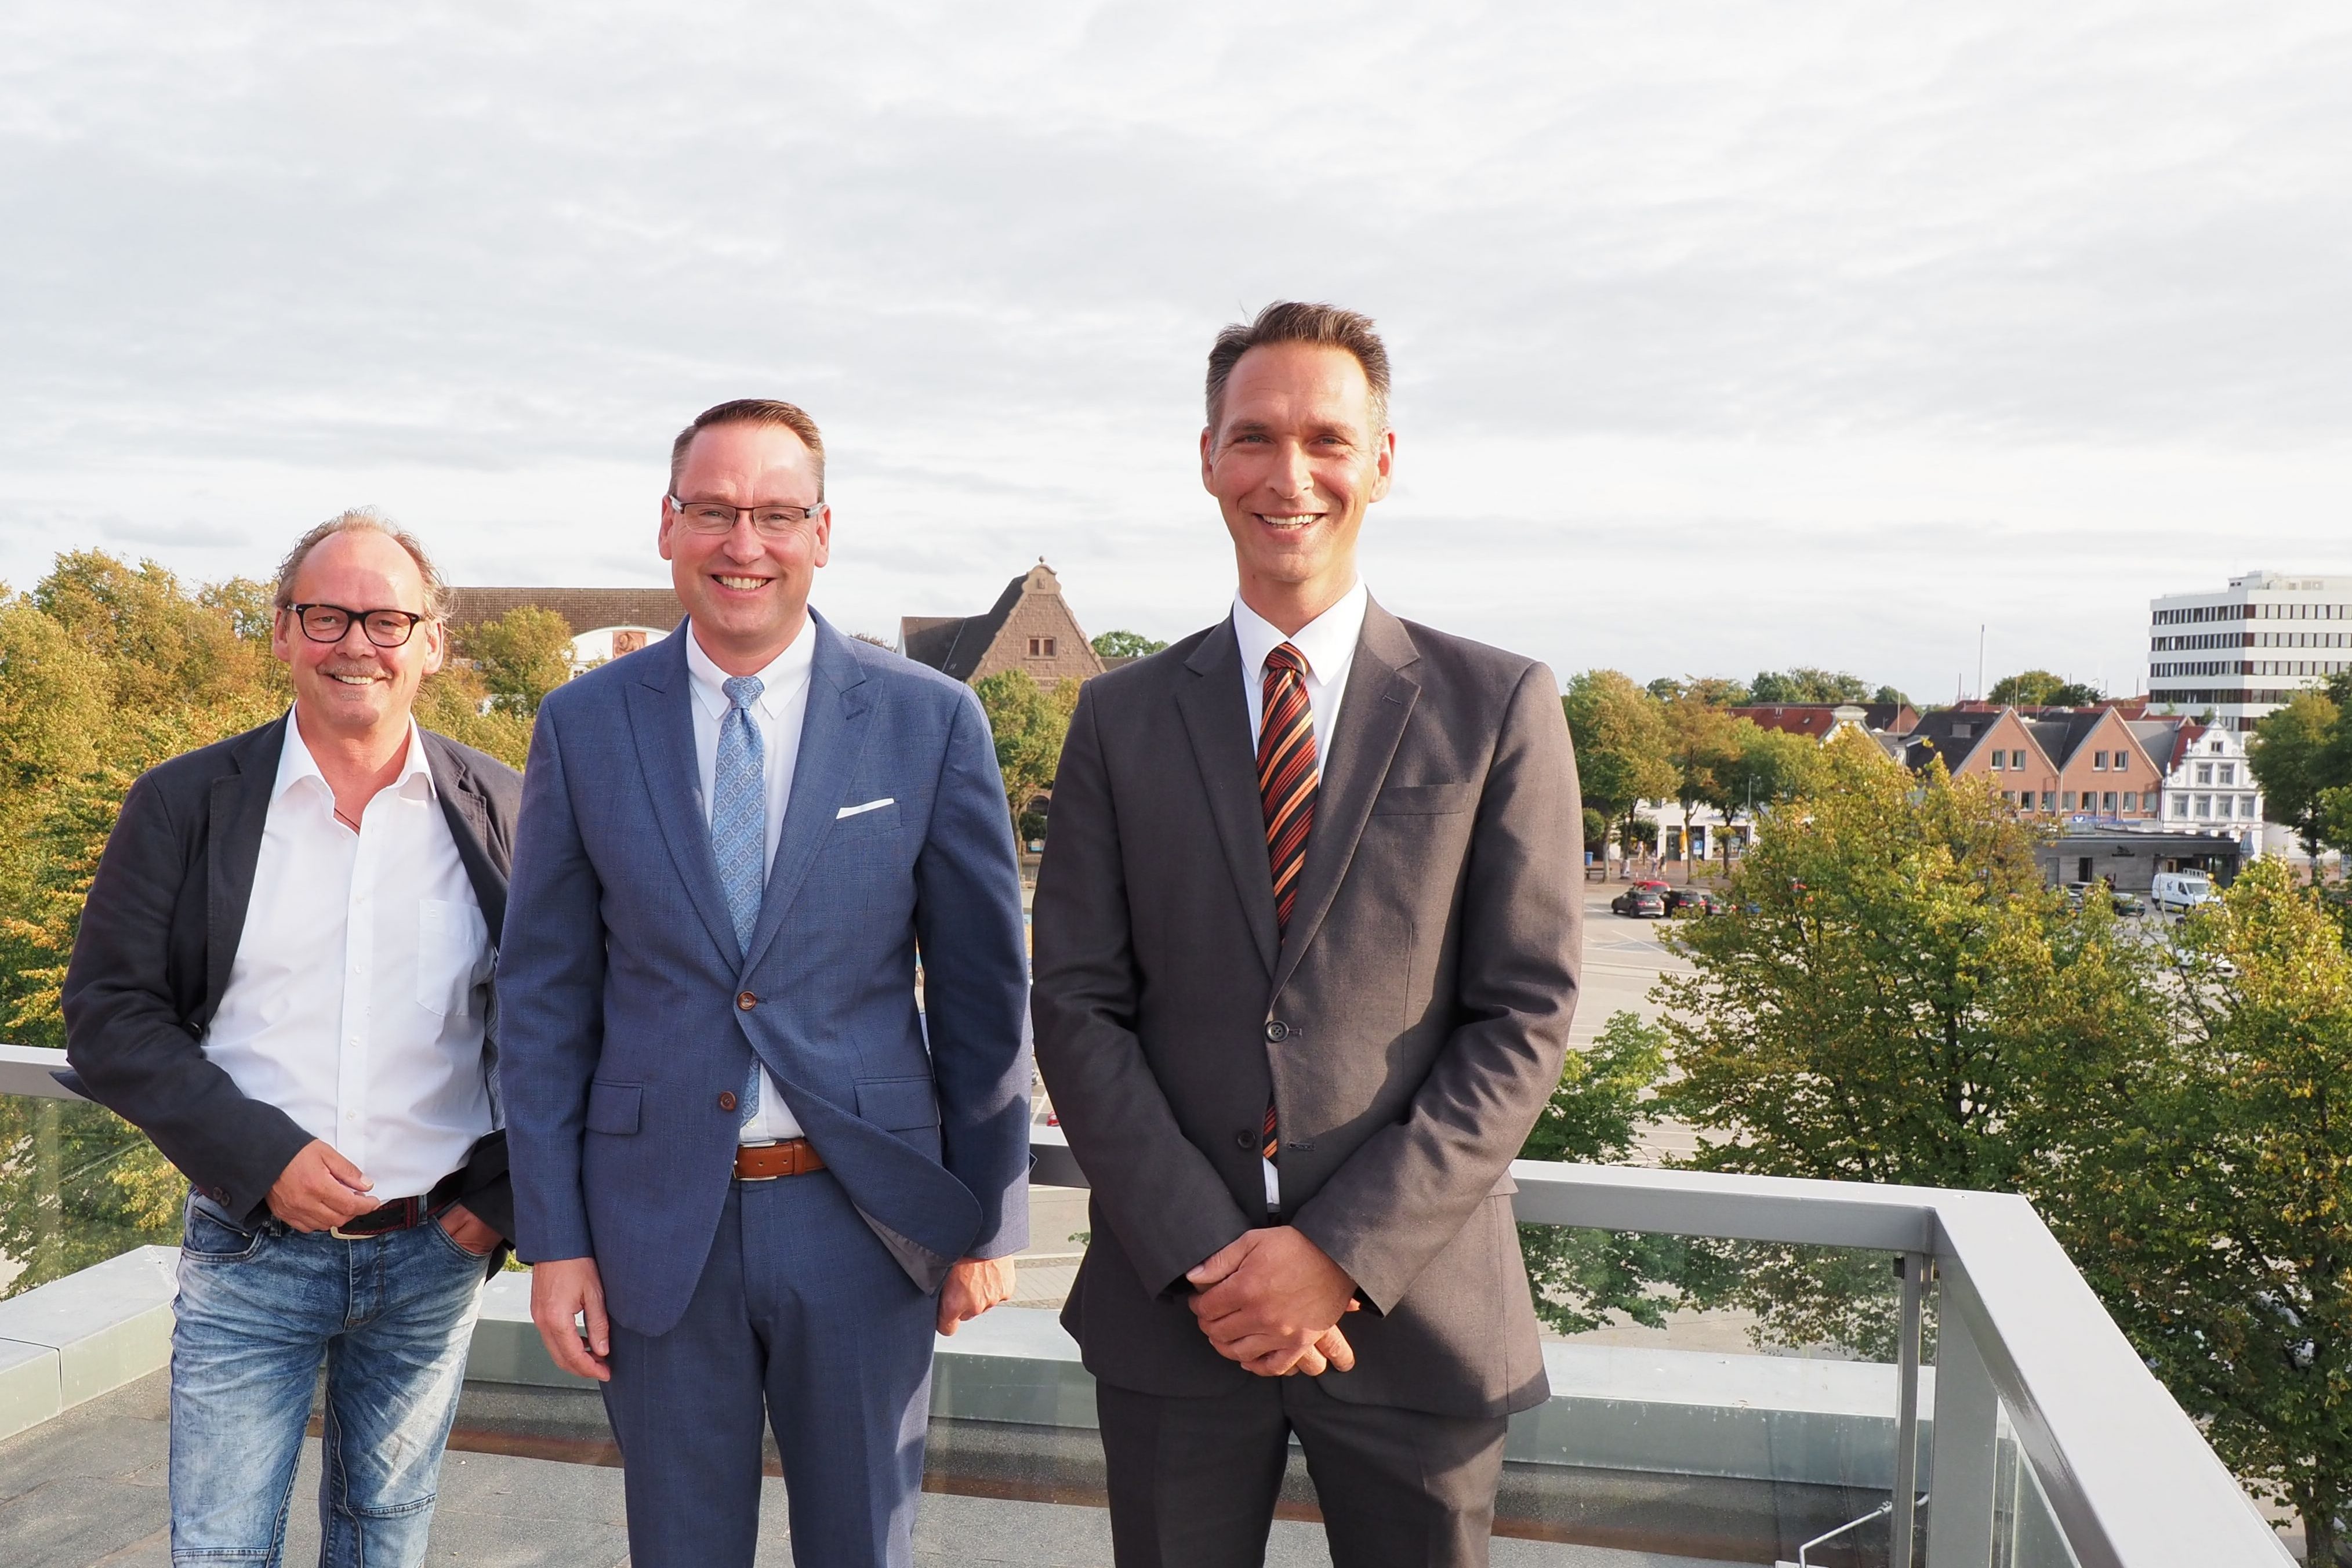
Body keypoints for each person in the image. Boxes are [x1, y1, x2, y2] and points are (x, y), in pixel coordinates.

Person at [1031, 302, 1584, 1567]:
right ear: (1210, 457)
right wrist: (1214, 1259)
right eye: (1255, 437)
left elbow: (1526, 1014)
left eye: (1328, 438)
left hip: (1419, 1313)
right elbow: (1073, 1002)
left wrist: (1336, 1254)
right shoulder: (1119, 717)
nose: (1291, 475)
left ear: (1382, 461)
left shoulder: (1496, 702)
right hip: (1179, 1317)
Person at [498, 398, 1031, 1568]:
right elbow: (541, 1002)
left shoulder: (927, 720)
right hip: (652, 1229)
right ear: (668, 526)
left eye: (777, 513)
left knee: (862, 1546)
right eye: (716, 511)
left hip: (866, 1222)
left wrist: (987, 1214)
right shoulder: (582, 725)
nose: (746, 543)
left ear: (823, 532)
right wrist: (557, 1240)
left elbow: (989, 994)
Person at [62, 511, 520, 1568]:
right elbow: (109, 1012)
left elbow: (570, 1026)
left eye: (388, 619)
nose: (357, 642)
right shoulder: (184, 803)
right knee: (222, 1548)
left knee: (386, 1543)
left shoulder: (510, 809)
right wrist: (260, 1156)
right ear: (281, 632)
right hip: (249, 1247)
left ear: (433, 643)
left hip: (434, 1252)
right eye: (327, 615)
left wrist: (496, 1208)